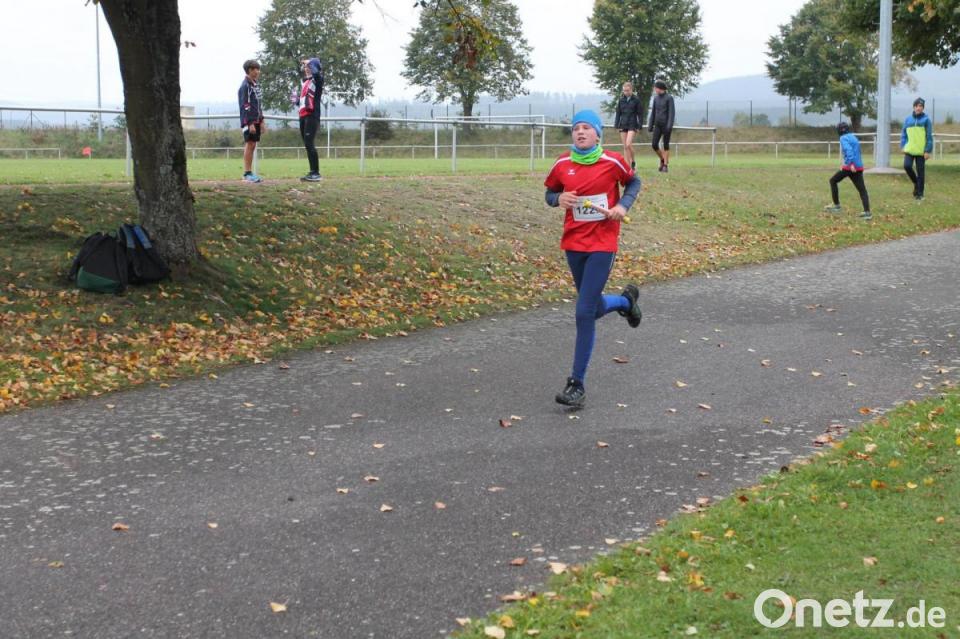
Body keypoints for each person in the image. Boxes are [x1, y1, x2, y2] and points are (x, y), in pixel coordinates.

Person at [543, 110, 643, 408]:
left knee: (584, 312)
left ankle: (577, 384)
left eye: (587, 128)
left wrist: (622, 207)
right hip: (574, 243)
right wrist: (558, 199)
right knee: (593, 306)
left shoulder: (612, 161)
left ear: (598, 134)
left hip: (603, 243)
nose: (581, 132)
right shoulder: (562, 163)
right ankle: (625, 302)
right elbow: (550, 193)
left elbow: (634, 183)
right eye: (576, 128)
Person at [823, 122, 871, 220]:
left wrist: (850, 164)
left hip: (850, 167)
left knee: (833, 181)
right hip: (858, 167)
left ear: (839, 130)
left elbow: (849, 151)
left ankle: (837, 206)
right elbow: (857, 151)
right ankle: (867, 212)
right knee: (862, 190)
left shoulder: (843, 138)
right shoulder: (853, 137)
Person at [900, 97, 934, 201]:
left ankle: (920, 194)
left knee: (920, 172)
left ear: (923, 108)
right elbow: (904, 134)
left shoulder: (926, 120)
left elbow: (929, 137)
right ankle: (916, 183)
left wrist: (927, 150)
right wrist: (903, 145)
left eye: (920, 106)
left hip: (921, 151)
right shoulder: (908, 120)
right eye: (917, 106)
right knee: (907, 166)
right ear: (914, 107)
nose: (918, 108)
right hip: (909, 149)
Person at [298, 57, 324, 182]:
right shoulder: (305, 82)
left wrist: (310, 62)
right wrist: (296, 100)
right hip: (303, 115)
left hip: (312, 116)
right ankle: (312, 171)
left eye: (309, 67)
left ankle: (316, 173)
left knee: (309, 143)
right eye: (305, 67)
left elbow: (316, 73)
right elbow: (304, 101)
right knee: (307, 145)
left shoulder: (318, 79)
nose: (306, 69)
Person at [238, 59, 264, 183]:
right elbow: (246, 105)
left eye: (258, 69)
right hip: (249, 121)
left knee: (253, 145)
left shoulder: (255, 85)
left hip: (256, 120)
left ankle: (250, 173)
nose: (258, 72)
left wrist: (262, 120)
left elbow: (258, 104)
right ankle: (247, 173)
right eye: (255, 69)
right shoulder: (245, 86)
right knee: (249, 144)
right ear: (249, 70)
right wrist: (250, 123)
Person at [648, 80, 675, 173]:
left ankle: (665, 166)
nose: (655, 90)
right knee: (654, 144)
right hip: (657, 125)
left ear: (660, 88)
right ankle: (663, 159)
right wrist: (650, 124)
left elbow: (671, 113)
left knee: (666, 145)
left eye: (655, 88)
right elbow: (653, 112)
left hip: (666, 125)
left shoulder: (669, 98)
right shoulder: (655, 98)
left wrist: (669, 125)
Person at [614, 81, 642, 170]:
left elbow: (640, 114)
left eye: (627, 90)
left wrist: (639, 126)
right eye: (624, 91)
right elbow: (618, 113)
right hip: (623, 124)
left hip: (632, 125)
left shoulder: (636, 100)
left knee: (628, 144)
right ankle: (627, 167)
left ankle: (633, 161)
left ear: (631, 90)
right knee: (625, 147)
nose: (626, 92)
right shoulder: (621, 100)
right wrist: (616, 125)